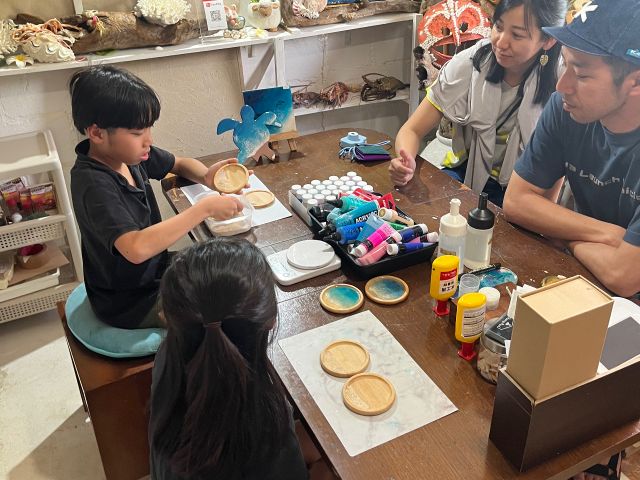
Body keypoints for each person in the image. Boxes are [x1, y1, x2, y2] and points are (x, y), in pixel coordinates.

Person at [69, 65, 245, 329]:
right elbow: (136, 248)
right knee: (225, 315)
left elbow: (180, 163)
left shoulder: (129, 155)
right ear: (97, 133)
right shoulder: (93, 184)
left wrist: (207, 176)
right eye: (137, 133)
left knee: (233, 267)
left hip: (157, 272)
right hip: (129, 301)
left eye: (148, 128)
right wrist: (205, 208)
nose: (148, 140)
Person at [149, 238, 334, 480]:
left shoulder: (168, 354)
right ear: (271, 322)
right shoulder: (263, 420)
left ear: (169, 318)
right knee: (333, 463)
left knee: (317, 437)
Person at [503, 0, 640, 299]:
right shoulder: (566, 110)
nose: (561, 86)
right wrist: (607, 235)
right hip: (587, 279)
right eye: (565, 63)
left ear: (636, 82)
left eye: (582, 73)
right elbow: (516, 202)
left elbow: (624, 276)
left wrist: (565, 236)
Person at [389, 0, 566, 207]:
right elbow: (412, 130)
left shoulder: (564, 83)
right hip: (467, 175)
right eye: (498, 27)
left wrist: (543, 221)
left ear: (548, 40)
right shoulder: (470, 64)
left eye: (517, 35)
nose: (501, 42)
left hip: (526, 192)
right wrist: (405, 163)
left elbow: (559, 163)